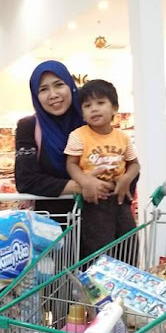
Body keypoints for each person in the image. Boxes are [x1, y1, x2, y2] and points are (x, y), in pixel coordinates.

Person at [15, 60, 115, 216]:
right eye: (43, 89)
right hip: (52, 221)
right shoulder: (29, 127)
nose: (53, 95)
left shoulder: (91, 120)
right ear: (36, 95)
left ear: (71, 86)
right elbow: (25, 181)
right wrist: (79, 185)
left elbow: (118, 160)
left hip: (100, 214)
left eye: (59, 85)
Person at [64, 79, 140, 260]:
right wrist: (85, 181)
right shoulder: (78, 136)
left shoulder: (123, 137)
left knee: (129, 246)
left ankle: (129, 275)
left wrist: (126, 179)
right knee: (99, 251)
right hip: (94, 201)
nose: (94, 109)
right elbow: (71, 164)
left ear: (114, 108)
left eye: (100, 103)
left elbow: (134, 164)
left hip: (120, 200)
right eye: (87, 105)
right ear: (82, 114)